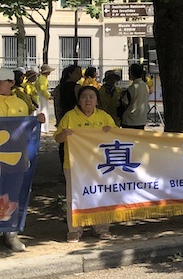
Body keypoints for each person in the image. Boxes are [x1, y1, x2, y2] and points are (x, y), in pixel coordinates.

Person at [54, 84, 116, 242]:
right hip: (74, 166)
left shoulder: (104, 117)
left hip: (99, 166)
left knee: (101, 195)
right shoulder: (69, 116)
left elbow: (117, 137)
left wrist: (111, 131)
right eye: (84, 96)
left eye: (91, 96)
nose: (88, 99)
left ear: (97, 101)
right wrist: (64, 135)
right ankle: (74, 231)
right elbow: (57, 138)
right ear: (79, 101)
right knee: (73, 198)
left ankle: (102, 228)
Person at [0, 68, 46, 251]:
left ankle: (10, 233)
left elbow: (27, 128)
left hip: (16, 158)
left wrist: (38, 121)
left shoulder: (21, 103)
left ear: (11, 82)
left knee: (12, 194)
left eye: (2, 81)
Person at [119, 63, 150, 130]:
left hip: (130, 120)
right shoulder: (145, 86)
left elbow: (124, 102)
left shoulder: (133, 87)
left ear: (131, 74)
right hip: (142, 119)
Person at [36, 64, 53, 133]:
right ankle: (43, 128)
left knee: (43, 110)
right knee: (44, 110)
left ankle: (44, 127)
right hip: (42, 96)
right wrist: (48, 96)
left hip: (42, 95)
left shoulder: (43, 77)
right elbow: (42, 89)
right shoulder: (42, 78)